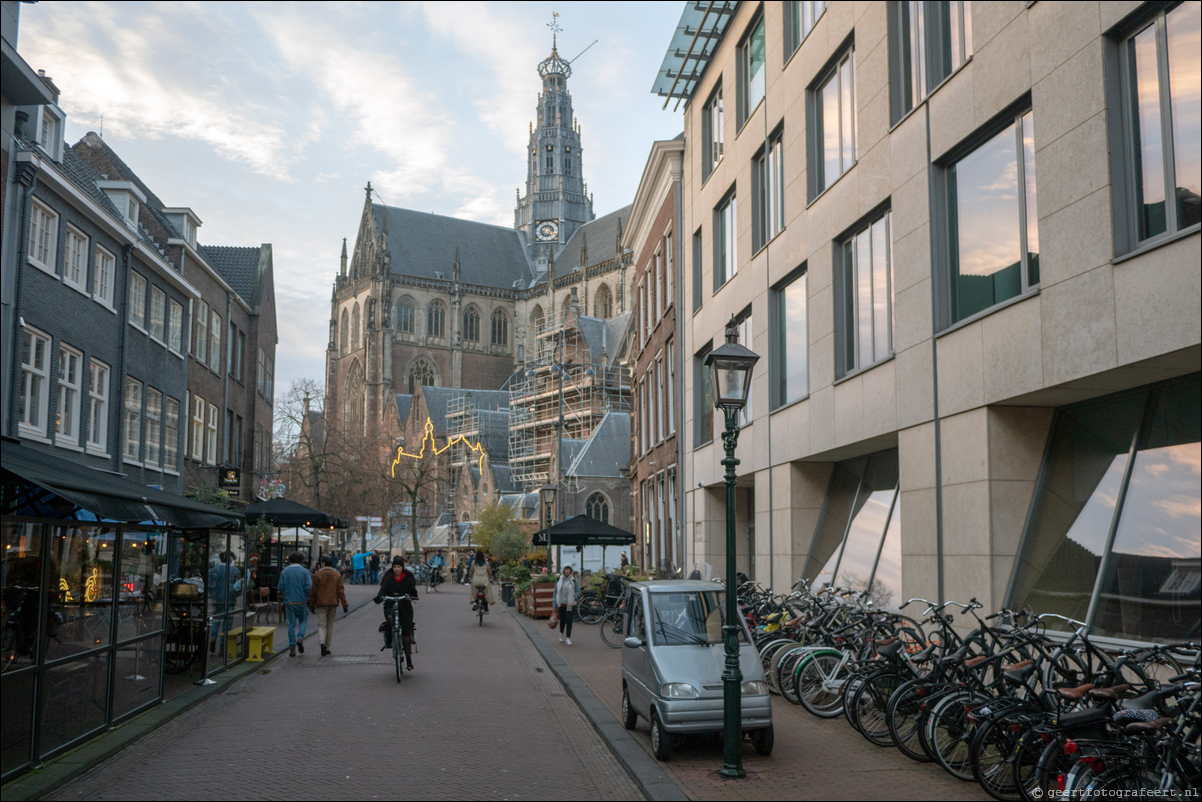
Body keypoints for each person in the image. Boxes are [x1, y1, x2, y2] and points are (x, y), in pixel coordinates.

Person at [374, 556, 417, 670]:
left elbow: (413, 590)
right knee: (389, 618)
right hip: (390, 603)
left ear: (402, 567)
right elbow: (383, 589)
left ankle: (408, 660)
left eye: (399, 567)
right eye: (395, 567)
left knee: (406, 634)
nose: (397, 569)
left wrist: (413, 595)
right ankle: (389, 637)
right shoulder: (388, 577)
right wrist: (379, 597)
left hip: (405, 605)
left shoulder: (408, 577)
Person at [308, 554, 348, 657]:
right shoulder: (337, 575)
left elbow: (313, 591)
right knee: (330, 625)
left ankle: (322, 643)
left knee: (321, 625)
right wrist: (345, 604)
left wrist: (312, 604)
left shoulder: (318, 575)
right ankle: (328, 647)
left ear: (323, 563)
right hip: (333, 603)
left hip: (321, 603)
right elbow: (340, 591)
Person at [277, 552, 312, 656]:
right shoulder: (305, 572)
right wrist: (306, 596)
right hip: (302, 600)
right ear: (301, 560)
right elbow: (308, 587)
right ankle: (300, 638)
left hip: (289, 601)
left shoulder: (284, 572)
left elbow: (280, 587)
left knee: (291, 624)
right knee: (303, 621)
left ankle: (292, 648)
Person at [207, 551, 242, 654]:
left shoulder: (213, 570)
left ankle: (213, 637)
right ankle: (223, 646)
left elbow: (209, 585)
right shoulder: (235, 571)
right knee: (227, 624)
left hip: (216, 599)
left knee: (216, 620)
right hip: (229, 600)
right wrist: (236, 595)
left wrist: (213, 594)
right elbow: (238, 587)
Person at [553, 565, 580, 645]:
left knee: (569, 620)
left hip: (570, 604)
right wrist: (554, 604)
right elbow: (555, 592)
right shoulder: (559, 579)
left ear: (571, 571)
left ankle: (568, 638)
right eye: (566, 569)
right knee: (563, 620)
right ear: (563, 570)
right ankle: (561, 633)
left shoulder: (574, 580)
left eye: (569, 569)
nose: (567, 571)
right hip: (561, 604)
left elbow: (577, 590)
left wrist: (575, 597)